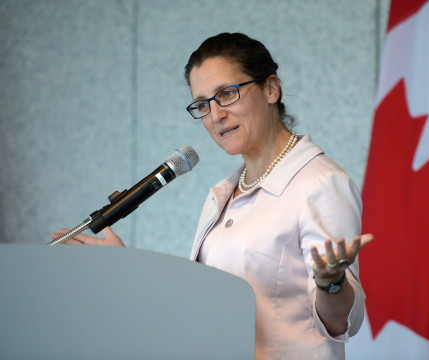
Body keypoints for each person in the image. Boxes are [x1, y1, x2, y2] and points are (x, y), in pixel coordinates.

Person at [52, 32, 373, 360]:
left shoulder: (320, 184)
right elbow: (204, 310)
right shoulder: (223, 193)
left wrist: (330, 283)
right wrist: (129, 269)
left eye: (227, 94)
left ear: (271, 89)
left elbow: (344, 323)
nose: (215, 114)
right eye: (203, 104)